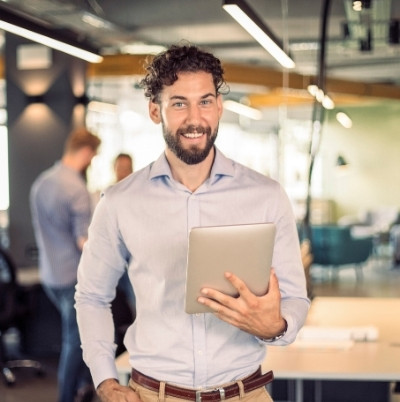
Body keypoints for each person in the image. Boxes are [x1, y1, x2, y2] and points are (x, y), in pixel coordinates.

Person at [75, 44, 310, 402]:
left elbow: (294, 297)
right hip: (153, 394)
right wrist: (105, 380)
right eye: (179, 103)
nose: (195, 118)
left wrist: (276, 326)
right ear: (156, 110)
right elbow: (92, 295)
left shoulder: (266, 195)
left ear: (218, 107)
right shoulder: (120, 201)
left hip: (245, 393)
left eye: (204, 101)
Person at [30, 127, 101, 402]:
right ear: (86, 152)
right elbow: (83, 241)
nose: (91, 161)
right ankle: (65, 397)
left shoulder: (41, 182)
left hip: (49, 275)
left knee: (78, 335)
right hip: (72, 277)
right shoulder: (76, 188)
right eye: (92, 156)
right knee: (75, 342)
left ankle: (84, 387)